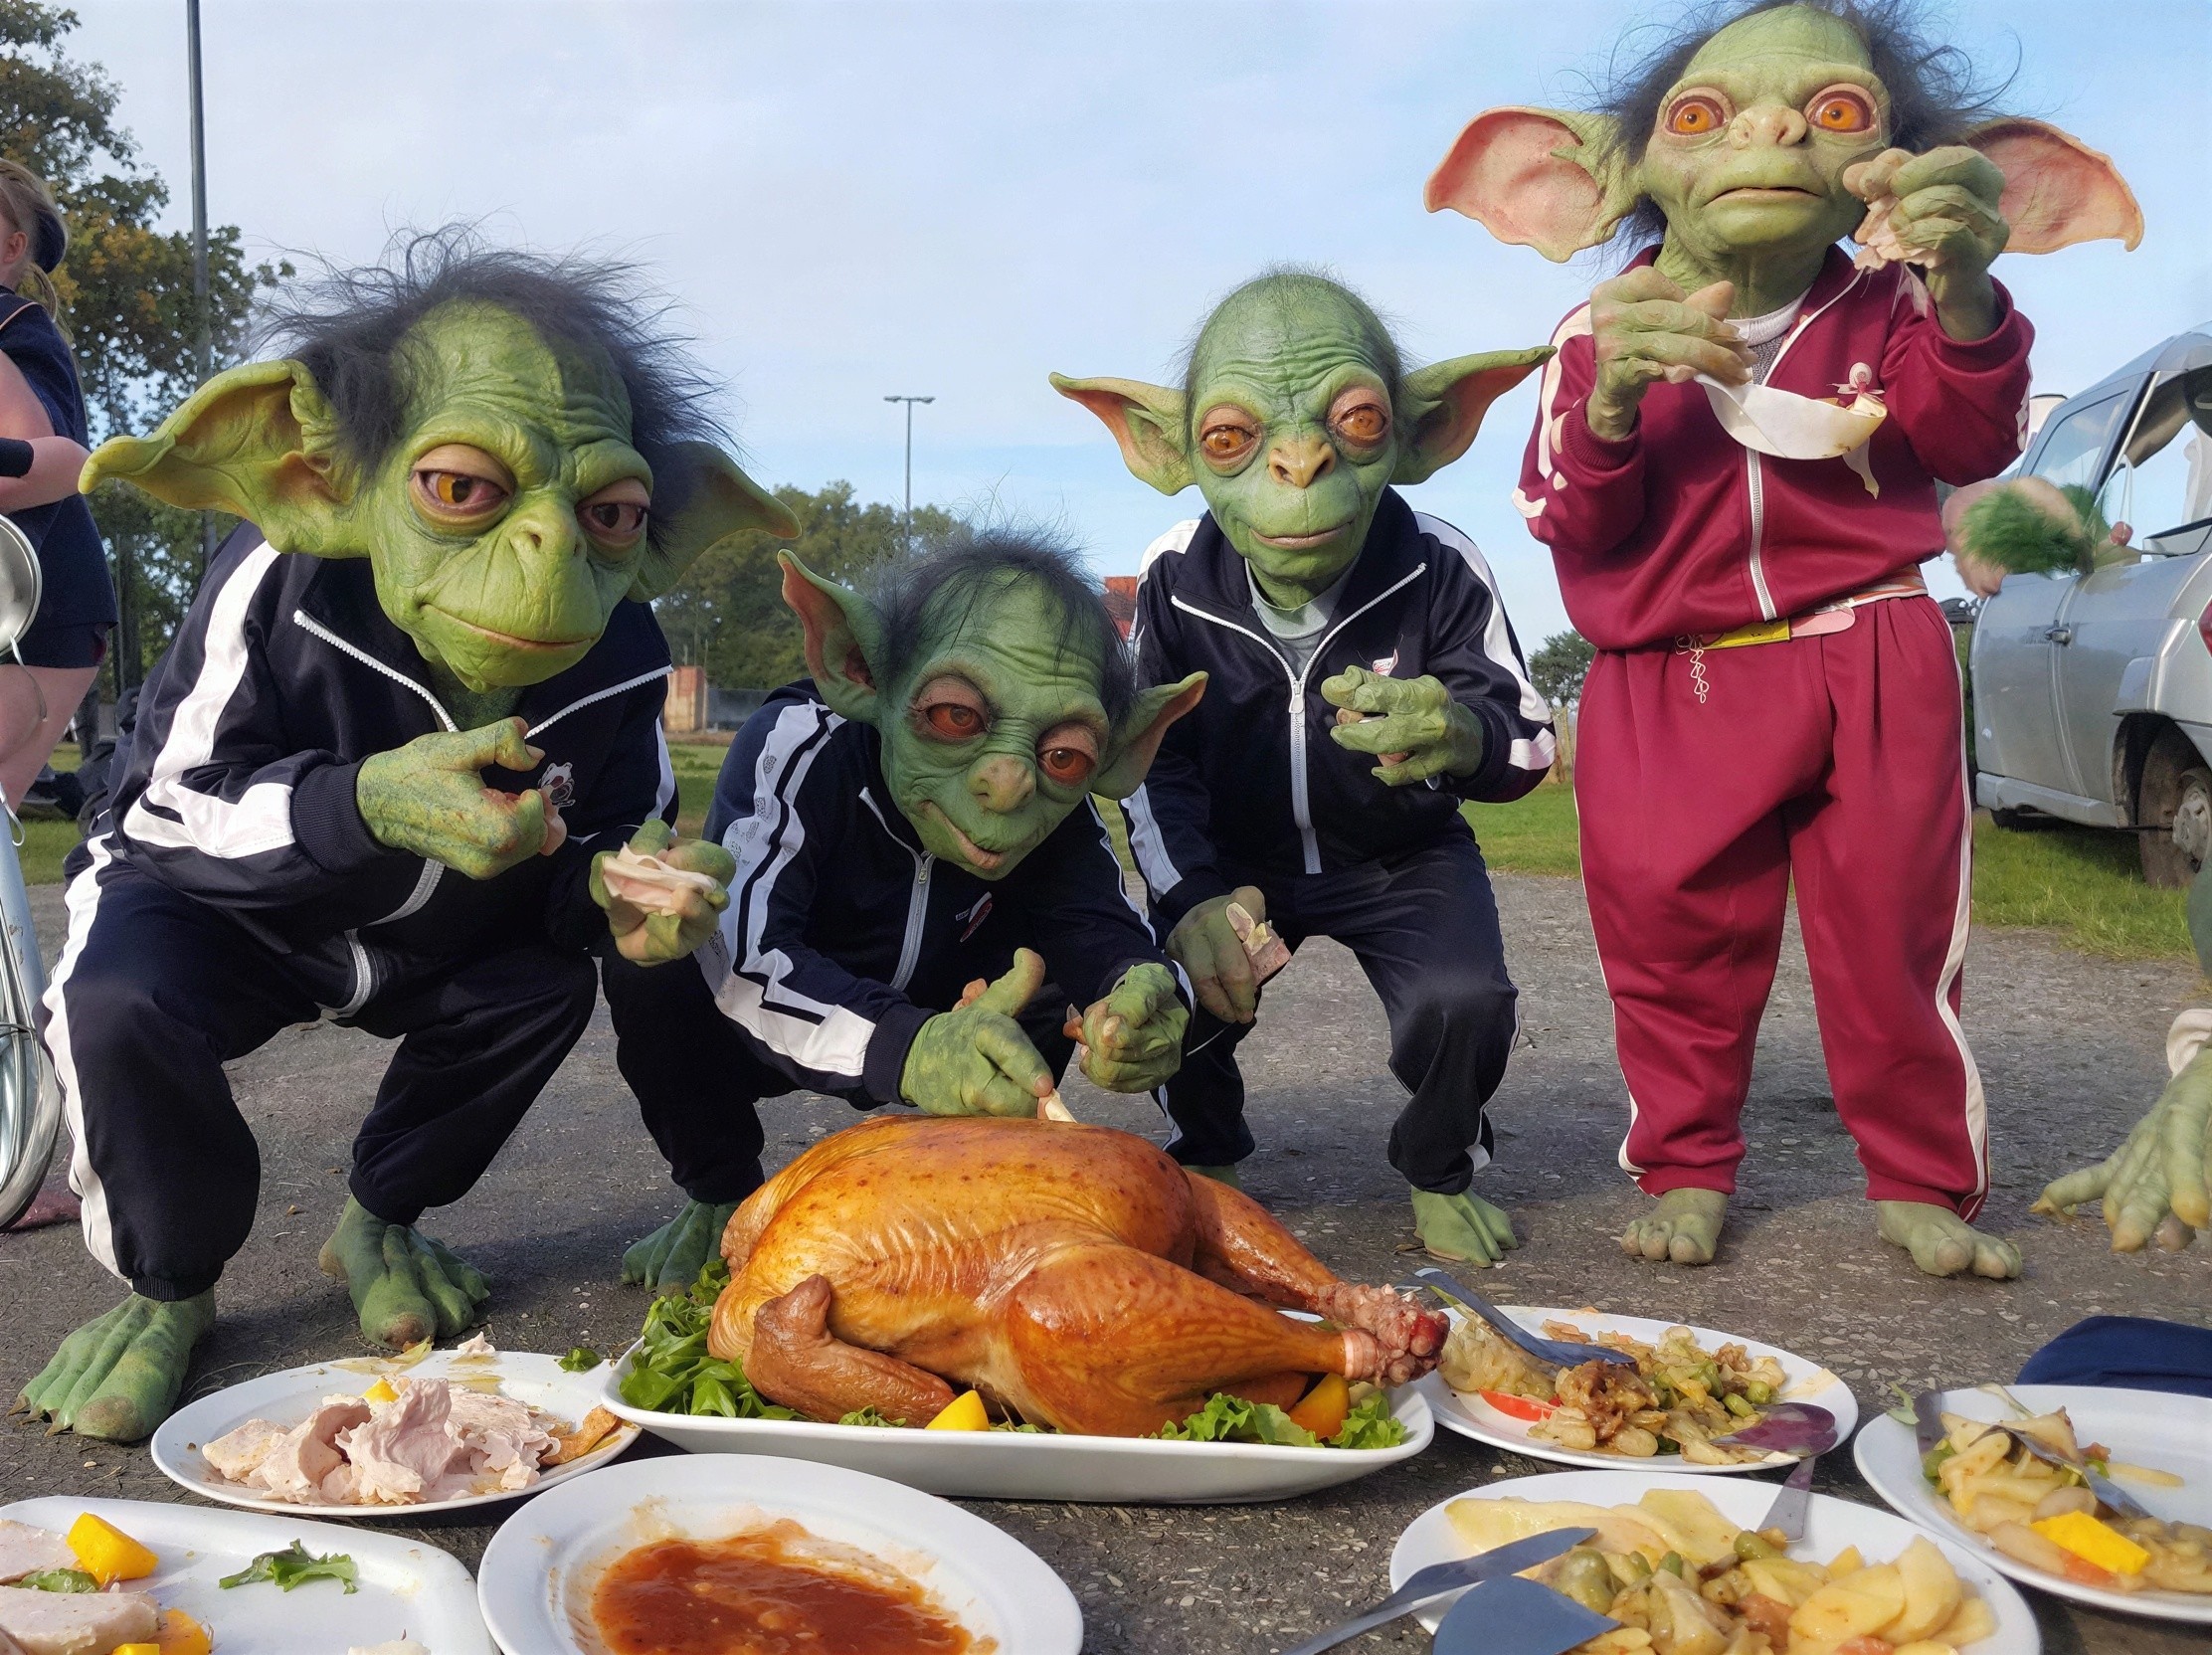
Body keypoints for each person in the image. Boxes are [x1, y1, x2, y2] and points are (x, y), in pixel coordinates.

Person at [16, 235, 784, 1440]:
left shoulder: (624, 644)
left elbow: (605, 842)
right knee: (116, 1001)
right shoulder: (277, 579)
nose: (553, 552)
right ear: (320, 480)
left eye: (608, 510)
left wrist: (625, 900)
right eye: (464, 488)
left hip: (445, 932)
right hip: (228, 903)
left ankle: (381, 1216)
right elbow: (165, 804)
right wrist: (362, 802)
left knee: (538, 989)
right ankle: (168, 1289)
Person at [1424, 0, 2139, 1276]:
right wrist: (1613, 399)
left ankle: (1920, 1177)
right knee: (1667, 937)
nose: (1768, 135)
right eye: (1704, 115)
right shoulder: (1598, 329)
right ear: (1613, 172)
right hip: (1671, 671)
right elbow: (1570, 518)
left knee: (1894, 935)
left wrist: (1964, 288)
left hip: (1872, 642)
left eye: (1833, 111)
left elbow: (1967, 439)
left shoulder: (1898, 301)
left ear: (1893, 165)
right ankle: (1686, 1165)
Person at [1052, 271, 1558, 1265]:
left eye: (1354, 421)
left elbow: (1528, 735)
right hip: (1239, 859)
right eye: (1233, 438)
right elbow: (1151, 759)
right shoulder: (1174, 575)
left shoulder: (1438, 561)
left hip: (1401, 852)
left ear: (1424, 430)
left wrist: (1459, 733)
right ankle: (1208, 1151)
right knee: (1180, 989)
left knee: (1464, 1001)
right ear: (1163, 447)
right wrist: (1192, 895)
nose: (1296, 466)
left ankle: (1440, 1163)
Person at [611, 532, 1205, 1292]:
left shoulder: (1059, 808)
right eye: (956, 716)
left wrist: (1145, 1001)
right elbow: (748, 954)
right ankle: (721, 1193)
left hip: (959, 1020)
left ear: (1120, 751)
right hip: (775, 1026)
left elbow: (1107, 933)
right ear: (860, 669)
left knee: (1055, 967)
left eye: (1061, 753)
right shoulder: (803, 745)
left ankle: (981, 1185)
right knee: (660, 959)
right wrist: (912, 1047)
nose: (1008, 786)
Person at [0, 160, 115, 810]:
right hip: (45, 606)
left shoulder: (12, 325)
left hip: (38, 611)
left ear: (12, 247)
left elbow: (55, 457)